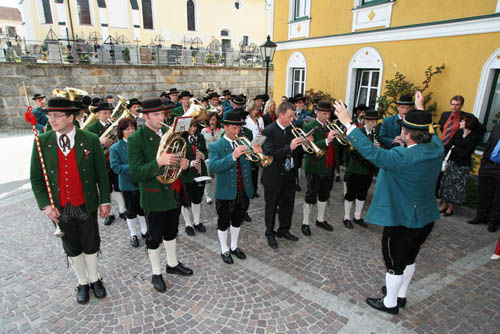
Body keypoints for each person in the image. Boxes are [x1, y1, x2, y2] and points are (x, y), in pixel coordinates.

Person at [334, 92, 444, 315]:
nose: (400, 132)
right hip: (426, 217)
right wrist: (420, 110)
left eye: (403, 129)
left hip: (402, 219)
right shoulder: (437, 150)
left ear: (408, 136)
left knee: (394, 263)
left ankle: (390, 303)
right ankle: (401, 295)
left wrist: (348, 124)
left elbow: (371, 152)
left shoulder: (401, 157)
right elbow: (433, 133)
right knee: (410, 258)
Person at [30, 97, 111, 304]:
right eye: (49, 116)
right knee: (72, 245)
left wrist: (104, 200)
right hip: (60, 206)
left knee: (91, 243)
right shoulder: (42, 141)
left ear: (71, 117)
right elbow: (37, 178)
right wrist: (46, 205)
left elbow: (101, 173)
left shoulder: (90, 139)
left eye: (57, 116)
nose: (52, 120)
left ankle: (95, 279)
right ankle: (82, 282)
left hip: (86, 202)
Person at [127, 97, 193, 293]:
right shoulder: (135, 139)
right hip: (153, 195)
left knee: (171, 232)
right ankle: (156, 272)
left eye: (162, 114)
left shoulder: (169, 133)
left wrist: (185, 163)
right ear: (145, 116)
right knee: (154, 237)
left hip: (173, 192)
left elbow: (184, 155)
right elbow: (136, 173)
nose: (161, 118)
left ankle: (172, 264)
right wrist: (159, 162)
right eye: (156, 115)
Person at [209, 111, 260, 264]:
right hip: (225, 191)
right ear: (225, 127)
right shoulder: (215, 146)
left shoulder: (244, 143)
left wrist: (257, 155)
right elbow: (214, 167)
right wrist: (233, 156)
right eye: (233, 128)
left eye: (238, 128)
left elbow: (252, 165)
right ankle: (224, 248)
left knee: (238, 220)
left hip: (243, 190)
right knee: (223, 222)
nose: (236, 132)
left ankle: (234, 246)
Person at [261, 102, 304, 249]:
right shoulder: (269, 131)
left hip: (289, 174)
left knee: (288, 204)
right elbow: (270, 154)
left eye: (293, 116)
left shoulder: (292, 130)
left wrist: (302, 145)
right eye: (290, 116)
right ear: (280, 115)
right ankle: (270, 233)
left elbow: (296, 154)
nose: (292, 120)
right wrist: (289, 148)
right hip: (273, 176)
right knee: (271, 206)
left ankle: (284, 230)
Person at [301, 100, 339, 236]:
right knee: (311, 194)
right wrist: (327, 140)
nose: (327, 116)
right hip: (315, 166)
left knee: (324, 194)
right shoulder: (309, 126)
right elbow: (308, 148)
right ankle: (305, 222)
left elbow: (337, 146)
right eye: (324, 113)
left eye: (328, 113)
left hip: (329, 166)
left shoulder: (332, 126)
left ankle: (320, 219)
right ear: (317, 113)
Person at [86, 102, 127, 225]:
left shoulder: (114, 125)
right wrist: (99, 140)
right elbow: (87, 146)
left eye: (109, 112)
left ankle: (122, 210)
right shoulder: (91, 128)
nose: (107, 115)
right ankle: (110, 214)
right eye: (104, 113)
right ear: (98, 114)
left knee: (118, 186)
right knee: (106, 188)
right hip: (101, 163)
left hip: (114, 160)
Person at [109, 117, 148, 247]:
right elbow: (116, 167)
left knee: (142, 208)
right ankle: (133, 234)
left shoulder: (140, 143)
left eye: (133, 128)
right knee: (131, 211)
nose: (131, 131)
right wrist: (134, 167)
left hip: (141, 181)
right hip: (127, 184)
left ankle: (145, 231)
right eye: (127, 129)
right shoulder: (116, 148)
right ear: (121, 131)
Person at [343, 110, 380, 229]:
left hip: (367, 171)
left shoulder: (374, 134)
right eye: (373, 122)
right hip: (356, 169)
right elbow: (352, 151)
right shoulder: (358, 132)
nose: (375, 124)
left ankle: (357, 217)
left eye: (376, 122)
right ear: (367, 121)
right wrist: (367, 160)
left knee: (362, 194)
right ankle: (346, 217)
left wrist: (377, 148)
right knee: (350, 194)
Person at [438, 114, 481, 216]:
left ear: (468, 123)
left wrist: (455, 148)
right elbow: (449, 145)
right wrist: (453, 149)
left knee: (457, 187)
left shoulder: (474, 137)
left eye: (462, 121)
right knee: (446, 183)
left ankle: (451, 207)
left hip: (462, 165)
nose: (460, 122)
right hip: (451, 162)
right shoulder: (458, 133)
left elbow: (466, 152)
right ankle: (444, 204)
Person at [467, 122, 500, 233]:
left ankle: (493, 222)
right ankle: (481, 216)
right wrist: (484, 162)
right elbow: (490, 143)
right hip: (489, 165)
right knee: (484, 192)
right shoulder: (498, 126)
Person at [180, 120, 208, 236]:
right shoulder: (181, 139)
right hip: (186, 174)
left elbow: (206, 152)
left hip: (200, 173)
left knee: (197, 199)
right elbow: (179, 158)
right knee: (186, 201)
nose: (193, 129)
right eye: (191, 126)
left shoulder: (200, 137)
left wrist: (203, 155)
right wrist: (191, 163)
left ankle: (197, 222)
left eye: (195, 126)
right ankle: (188, 224)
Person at [201, 111, 223, 204]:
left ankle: (219, 194)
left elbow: (223, 144)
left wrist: (216, 143)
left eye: (214, 120)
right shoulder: (204, 131)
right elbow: (202, 145)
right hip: (208, 157)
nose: (212, 122)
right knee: (208, 178)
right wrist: (210, 145)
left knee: (219, 177)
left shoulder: (222, 131)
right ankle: (208, 196)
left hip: (218, 158)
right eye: (210, 120)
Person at [244, 100, 265, 198]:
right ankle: (250, 190)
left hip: (258, 145)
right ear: (250, 110)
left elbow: (262, 131)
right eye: (254, 110)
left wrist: (262, 132)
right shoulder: (246, 120)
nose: (256, 112)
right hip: (249, 146)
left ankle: (255, 190)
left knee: (256, 169)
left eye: (257, 110)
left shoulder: (260, 119)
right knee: (250, 169)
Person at [292, 94, 312, 192]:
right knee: (294, 161)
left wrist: (297, 120)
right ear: (295, 104)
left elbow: (302, 123)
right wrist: (298, 121)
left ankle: (297, 181)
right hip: (293, 140)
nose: (302, 104)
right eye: (299, 102)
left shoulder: (307, 113)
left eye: (303, 102)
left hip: (303, 140)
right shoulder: (292, 112)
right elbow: (294, 123)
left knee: (299, 162)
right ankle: (294, 181)